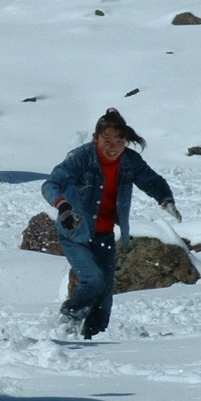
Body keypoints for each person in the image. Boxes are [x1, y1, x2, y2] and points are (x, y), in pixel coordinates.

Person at [42, 108, 182, 340]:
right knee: (93, 279)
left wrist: (165, 198)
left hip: (104, 236)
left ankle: (95, 339)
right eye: (107, 140)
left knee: (105, 294)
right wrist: (62, 205)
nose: (113, 146)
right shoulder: (80, 158)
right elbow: (51, 183)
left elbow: (152, 180)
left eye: (119, 140)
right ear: (96, 138)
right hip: (75, 234)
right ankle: (66, 321)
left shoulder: (130, 161)